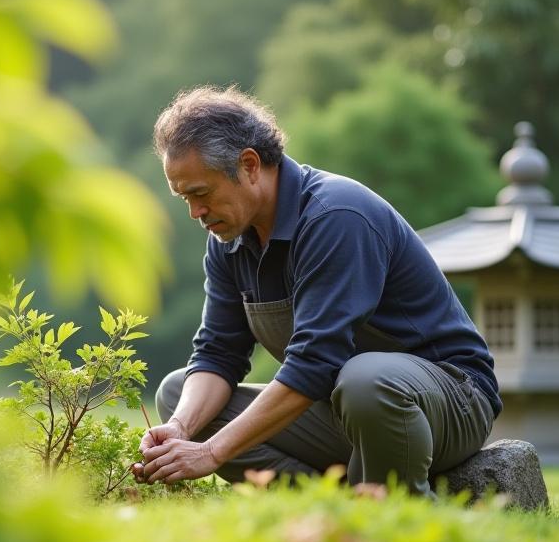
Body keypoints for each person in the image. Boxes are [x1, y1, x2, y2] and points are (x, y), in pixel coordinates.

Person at [132, 86, 501, 496]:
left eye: (201, 193)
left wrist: (213, 452)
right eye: (184, 198)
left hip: (448, 401)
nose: (195, 212)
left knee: (365, 380)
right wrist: (182, 429)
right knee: (178, 394)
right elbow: (218, 352)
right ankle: (332, 505)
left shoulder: (335, 216)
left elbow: (316, 361)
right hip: (340, 408)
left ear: (250, 165)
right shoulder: (228, 236)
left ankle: (401, 507)